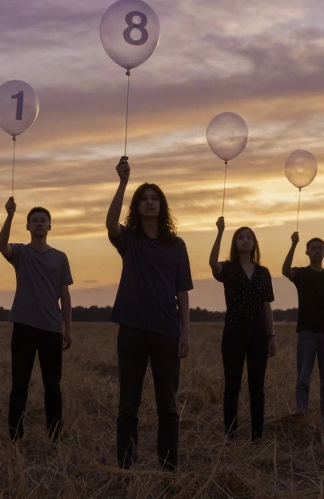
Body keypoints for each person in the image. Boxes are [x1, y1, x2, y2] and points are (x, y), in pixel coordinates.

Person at [105, 156, 193, 471]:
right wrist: (123, 183)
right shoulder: (130, 240)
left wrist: (185, 332)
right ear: (137, 206)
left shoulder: (177, 245)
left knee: (167, 406)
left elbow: (182, 292)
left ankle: (168, 469)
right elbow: (110, 224)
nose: (150, 203)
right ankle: (125, 467)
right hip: (131, 329)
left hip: (167, 332)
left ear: (162, 206)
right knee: (129, 404)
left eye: (155, 199)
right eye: (144, 199)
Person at [0, 197, 73, 441]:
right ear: (27, 227)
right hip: (24, 326)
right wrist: (9, 215)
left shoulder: (60, 257)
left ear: (50, 226)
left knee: (53, 386)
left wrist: (67, 327)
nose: (39, 224)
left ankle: (54, 436)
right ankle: (15, 437)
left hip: (51, 328)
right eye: (34, 221)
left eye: (43, 221)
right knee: (19, 384)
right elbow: (1, 246)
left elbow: (65, 294)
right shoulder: (20, 252)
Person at [209, 219, 276, 441]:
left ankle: (257, 435)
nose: (245, 240)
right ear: (235, 243)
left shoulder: (263, 272)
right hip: (234, 331)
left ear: (254, 243)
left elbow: (267, 305)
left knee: (257, 385)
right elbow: (212, 264)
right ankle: (231, 435)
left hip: (258, 332)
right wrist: (220, 232)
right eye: (240, 237)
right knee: (232, 385)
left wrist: (271, 334)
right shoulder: (228, 269)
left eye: (249, 237)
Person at [282, 232, 324, 421]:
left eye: (320, 248)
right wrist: (293, 244)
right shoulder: (301, 274)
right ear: (307, 253)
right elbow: (285, 270)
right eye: (313, 249)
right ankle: (301, 412)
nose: (317, 251)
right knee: (303, 377)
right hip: (306, 333)